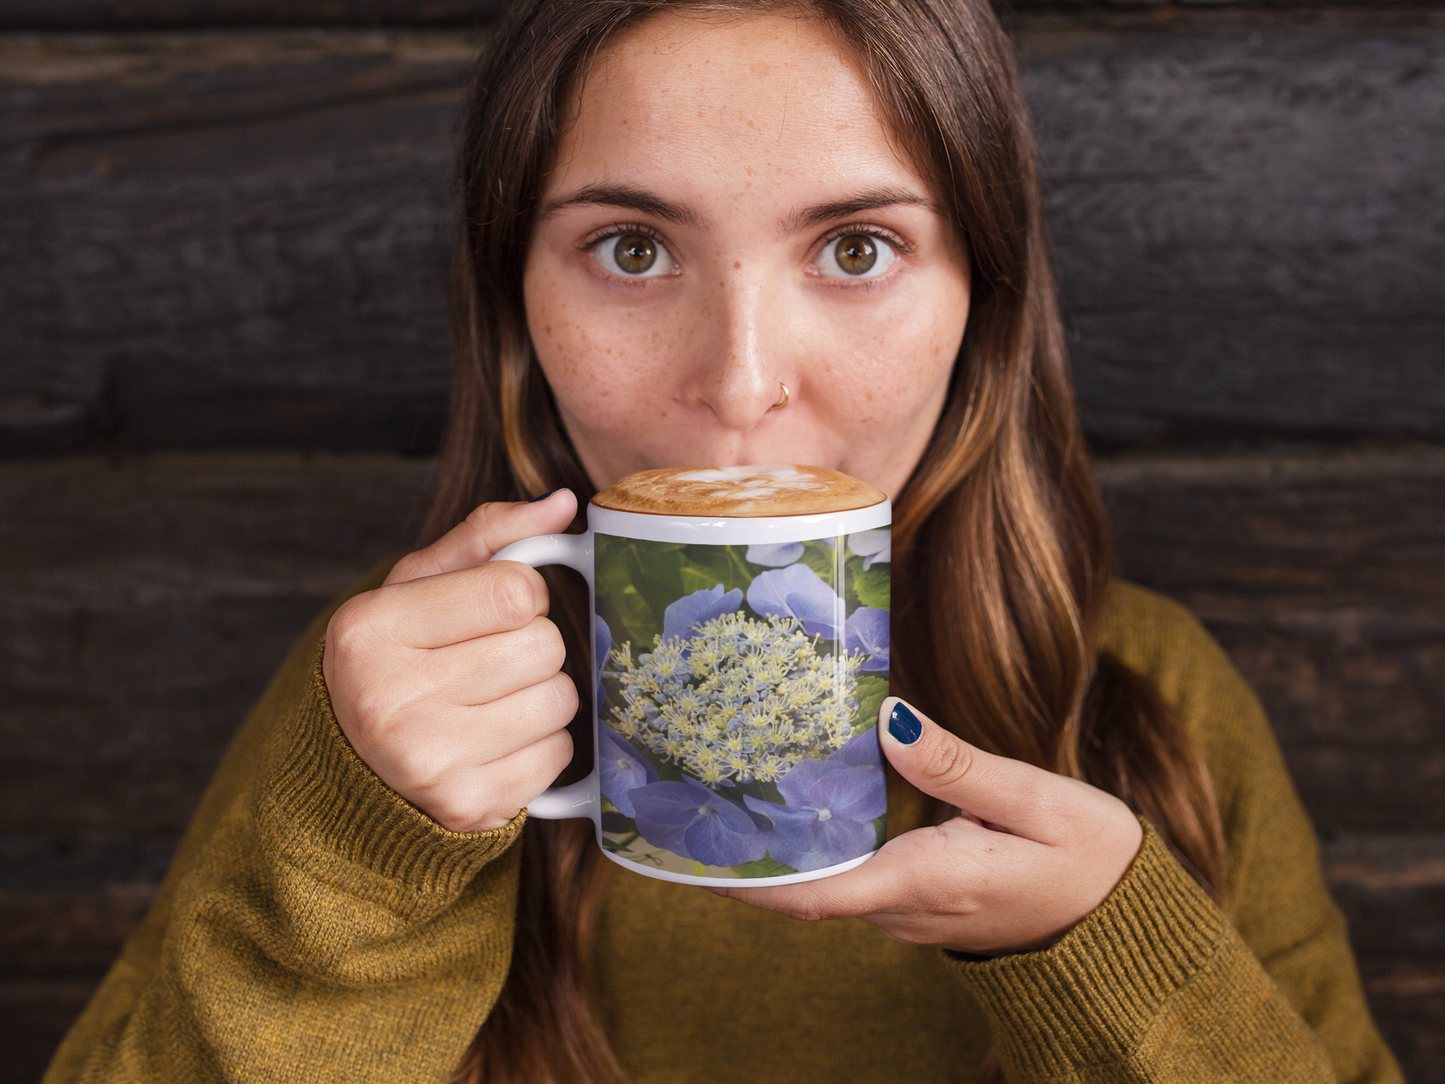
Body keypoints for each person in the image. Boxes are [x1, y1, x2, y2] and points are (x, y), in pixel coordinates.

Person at [46, 1, 1401, 1082]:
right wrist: (361, 852)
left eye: (858, 250)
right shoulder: (386, 715)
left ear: (979, 302)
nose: (742, 381)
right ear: (515, 302)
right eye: (632, 249)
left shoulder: (1151, 706)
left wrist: (1115, 962)